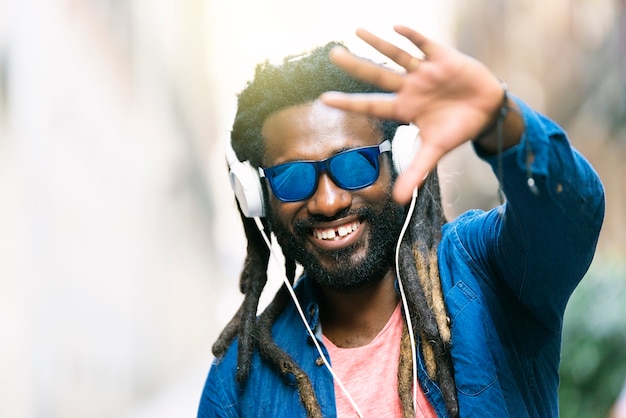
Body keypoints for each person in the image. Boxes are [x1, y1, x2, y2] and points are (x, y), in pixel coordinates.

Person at [198, 25, 605, 417]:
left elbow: (570, 220)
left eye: (355, 164)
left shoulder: (489, 272)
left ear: (400, 160)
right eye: (292, 177)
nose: (328, 201)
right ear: (256, 196)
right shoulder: (237, 386)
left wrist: (501, 122)